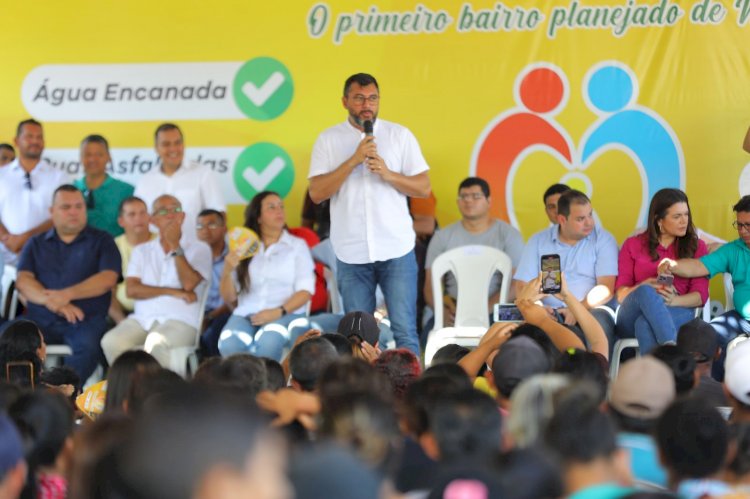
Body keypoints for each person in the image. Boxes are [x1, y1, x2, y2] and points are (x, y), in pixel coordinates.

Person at [308, 73, 431, 355]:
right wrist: (353, 160)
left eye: (373, 98)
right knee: (356, 336)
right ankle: (362, 395)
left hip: (396, 249)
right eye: (359, 98)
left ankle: (409, 395)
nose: (367, 105)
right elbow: (317, 193)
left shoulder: (400, 135)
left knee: (405, 331)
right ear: (344, 101)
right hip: (351, 253)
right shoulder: (328, 140)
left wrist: (387, 173)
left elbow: (423, 187)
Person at [16, 184, 120, 382]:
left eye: (79, 206)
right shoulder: (36, 243)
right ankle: (25, 398)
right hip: (41, 320)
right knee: (10, 338)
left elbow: (107, 279)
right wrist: (54, 302)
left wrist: (66, 295)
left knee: (89, 347)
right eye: (66, 207)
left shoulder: (103, 240)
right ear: (52, 211)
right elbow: (23, 281)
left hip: (85, 321)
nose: (74, 212)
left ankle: (63, 398)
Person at [100, 194, 211, 368]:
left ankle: (160, 393)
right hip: (143, 320)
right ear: (153, 220)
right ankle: (132, 389)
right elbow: (132, 290)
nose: (170, 215)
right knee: (111, 341)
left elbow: (189, 284)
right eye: (163, 211)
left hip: (181, 320)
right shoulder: (141, 251)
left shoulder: (200, 248)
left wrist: (175, 246)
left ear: (182, 216)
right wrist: (174, 292)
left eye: (175, 210)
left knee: (157, 343)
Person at [659, 195, 750, 379]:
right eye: (739, 225)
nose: (743, 231)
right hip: (741, 319)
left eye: (748, 225)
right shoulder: (733, 249)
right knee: (706, 337)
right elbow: (698, 266)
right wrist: (672, 264)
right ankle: (714, 392)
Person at [217, 191, 315, 361]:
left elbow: (305, 292)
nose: (279, 211)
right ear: (258, 217)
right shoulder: (243, 247)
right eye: (271, 207)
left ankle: (268, 387)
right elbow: (229, 297)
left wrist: (278, 311)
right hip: (247, 314)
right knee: (229, 343)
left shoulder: (297, 246)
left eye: (281, 207)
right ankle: (243, 387)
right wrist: (227, 270)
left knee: (269, 342)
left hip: (286, 313)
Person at [513, 189, 618, 343]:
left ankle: (597, 367)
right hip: (547, 310)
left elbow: (606, 289)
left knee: (600, 321)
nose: (590, 222)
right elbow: (522, 286)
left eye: (590, 214)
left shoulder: (603, 240)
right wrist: (538, 308)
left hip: (590, 308)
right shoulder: (538, 241)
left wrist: (576, 309)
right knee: (520, 327)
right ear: (562, 219)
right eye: (581, 218)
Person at [615, 188, 708, 353]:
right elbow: (621, 296)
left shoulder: (696, 246)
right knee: (645, 291)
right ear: (659, 220)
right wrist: (644, 285)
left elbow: (700, 296)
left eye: (686, 215)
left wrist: (673, 301)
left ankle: (655, 376)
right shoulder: (633, 244)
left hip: (678, 309)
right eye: (677, 216)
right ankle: (672, 355)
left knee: (644, 325)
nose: (684, 221)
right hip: (631, 312)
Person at [424, 177, 524, 326]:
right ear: (458, 202)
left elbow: (517, 284)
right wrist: (443, 311)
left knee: (520, 331)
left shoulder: (509, 234)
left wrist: (484, 309)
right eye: (463, 196)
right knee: (429, 336)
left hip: (496, 309)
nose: (469, 201)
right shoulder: (442, 237)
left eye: (476, 196)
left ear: (489, 201)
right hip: (453, 311)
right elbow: (429, 286)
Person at [134, 123, 225, 242]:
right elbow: (139, 219)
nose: (173, 149)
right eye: (166, 144)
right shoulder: (145, 180)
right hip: (156, 252)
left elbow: (219, 215)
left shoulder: (203, 174)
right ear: (156, 148)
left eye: (177, 143)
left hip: (195, 251)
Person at [0, 119, 67, 265]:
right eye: (29, 136)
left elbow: (62, 214)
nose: (35, 141)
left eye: (39, 137)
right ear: (16, 141)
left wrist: (25, 239)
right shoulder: (2, 175)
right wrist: (8, 239)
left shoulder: (59, 177)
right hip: (3, 259)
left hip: (45, 257)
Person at [73, 134, 134, 237]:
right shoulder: (70, 191)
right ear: (80, 158)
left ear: (109, 157)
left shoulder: (126, 191)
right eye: (88, 154)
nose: (93, 159)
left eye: (99, 154)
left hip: (116, 251)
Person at [109, 196, 155, 324]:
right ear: (121, 221)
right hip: (124, 314)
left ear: (150, 218)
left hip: (160, 311)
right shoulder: (112, 247)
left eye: (142, 213)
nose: (138, 218)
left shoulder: (163, 243)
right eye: (132, 214)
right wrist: (122, 322)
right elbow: (107, 291)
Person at [195, 209, 231, 357]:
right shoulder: (192, 257)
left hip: (226, 311)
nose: (205, 230)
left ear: (224, 229)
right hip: (197, 313)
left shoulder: (235, 256)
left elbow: (236, 297)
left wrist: (209, 317)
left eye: (211, 225)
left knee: (211, 336)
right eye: (200, 226)